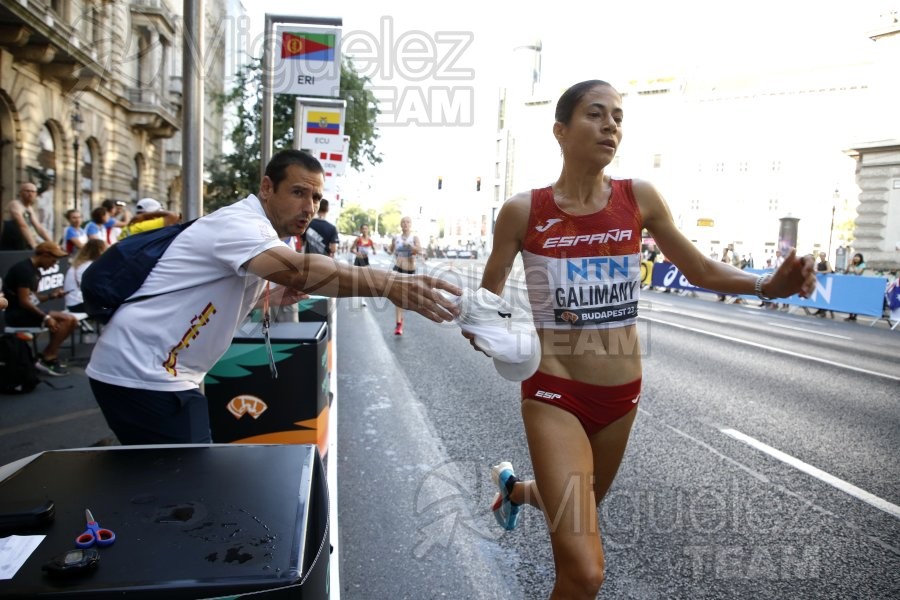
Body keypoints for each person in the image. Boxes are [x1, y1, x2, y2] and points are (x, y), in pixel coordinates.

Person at [469, 80, 816, 599]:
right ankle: (522, 493)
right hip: (553, 394)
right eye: (595, 114)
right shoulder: (524, 211)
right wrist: (490, 334)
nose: (611, 125)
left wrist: (767, 284)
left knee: (578, 509)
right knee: (585, 572)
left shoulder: (639, 198)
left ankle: (516, 491)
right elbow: (483, 306)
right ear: (560, 131)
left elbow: (698, 267)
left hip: (621, 398)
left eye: (618, 117)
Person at [86, 150, 460, 445]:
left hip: (156, 373)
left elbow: (223, 284)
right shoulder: (242, 224)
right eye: (298, 193)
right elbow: (299, 269)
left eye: (315, 196)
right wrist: (388, 283)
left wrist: (273, 293)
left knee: (170, 480)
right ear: (267, 188)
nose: (309, 207)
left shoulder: (256, 228)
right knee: (186, 492)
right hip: (142, 373)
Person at [2, 241, 79, 376]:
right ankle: (48, 358)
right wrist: (46, 317)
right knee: (67, 319)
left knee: (71, 320)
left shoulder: (33, 270)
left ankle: (47, 356)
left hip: (24, 312)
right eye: (53, 260)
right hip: (16, 315)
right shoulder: (24, 270)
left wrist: (52, 295)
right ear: (44, 255)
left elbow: (31, 298)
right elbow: (24, 302)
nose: (55, 264)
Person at [388, 216, 422, 335]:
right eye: (403, 222)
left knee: (407, 298)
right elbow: (390, 251)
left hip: (410, 270)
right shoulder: (396, 238)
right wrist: (388, 248)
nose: (405, 224)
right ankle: (398, 324)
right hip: (398, 269)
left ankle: (401, 319)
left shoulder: (414, 237)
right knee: (398, 298)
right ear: (400, 224)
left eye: (408, 222)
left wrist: (411, 247)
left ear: (411, 224)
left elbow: (419, 250)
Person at [0, 182, 54, 250]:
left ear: (36, 194)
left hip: (22, 243)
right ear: (20, 193)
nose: (30, 194)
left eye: (33, 191)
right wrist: (34, 245)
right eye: (27, 191)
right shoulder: (15, 204)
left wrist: (52, 244)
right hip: (11, 244)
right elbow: (22, 226)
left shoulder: (29, 208)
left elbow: (39, 228)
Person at [63, 238, 107, 313]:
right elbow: (92, 289)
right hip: (78, 304)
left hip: (74, 303)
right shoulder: (88, 265)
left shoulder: (81, 263)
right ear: (99, 251)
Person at [350, 224, 377, 307]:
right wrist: (356, 252)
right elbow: (351, 249)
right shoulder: (358, 239)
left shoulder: (370, 240)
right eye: (363, 229)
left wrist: (374, 251)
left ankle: (363, 300)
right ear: (361, 230)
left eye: (366, 228)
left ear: (368, 230)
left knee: (365, 281)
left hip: (365, 261)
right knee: (357, 279)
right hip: (358, 260)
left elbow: (373, 249)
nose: (364, 230)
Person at [843, 252, 866, 321]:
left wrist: (853, 266)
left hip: (858, 284)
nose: (856, 258)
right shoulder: (852, 264)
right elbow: (845, 273)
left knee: (856, 299)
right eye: (855, 256)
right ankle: (850, 315)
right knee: (850, 299)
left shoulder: (862, 265)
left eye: (858, 257)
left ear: (860, 258)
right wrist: (848, 266)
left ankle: (855, 315)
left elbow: (858, 273)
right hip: (851, 283)